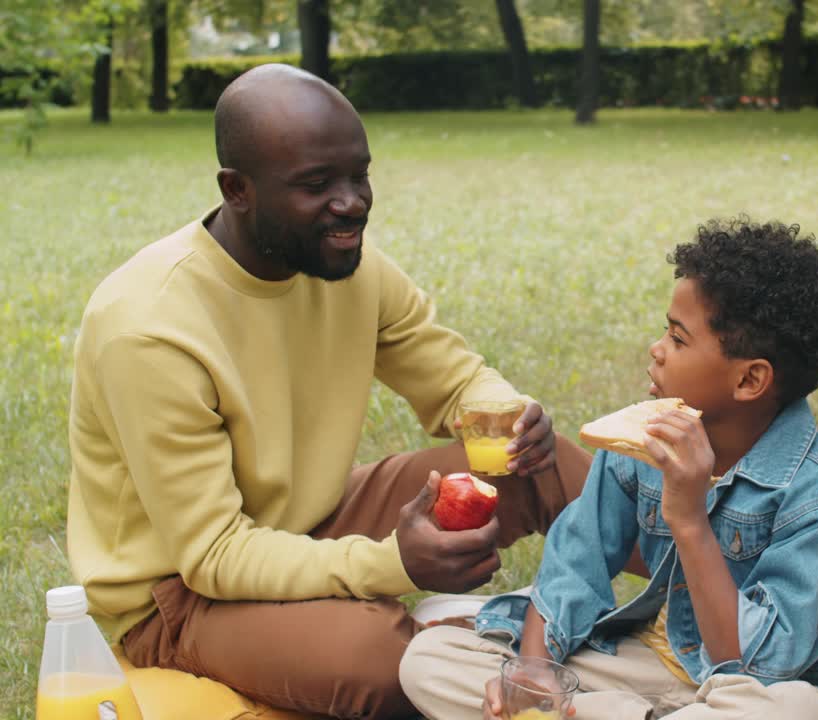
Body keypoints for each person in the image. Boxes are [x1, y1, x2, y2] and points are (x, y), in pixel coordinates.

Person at [65, 64, 594, 719]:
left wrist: (508, 415)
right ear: (238, 190)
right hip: (178, 598)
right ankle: (508, 669)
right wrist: (391, 565)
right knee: (382, 662)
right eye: (317, 184)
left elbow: (457, 381)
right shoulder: (148, 326)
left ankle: (729, 609)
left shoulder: (345, 262)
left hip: (311, 520)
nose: (352, 203)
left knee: (546, 467)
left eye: (359, 174)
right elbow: (215, 555)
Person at [400, 218, 818, 719]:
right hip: (638, 664)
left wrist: (689, 517)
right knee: (430, 660)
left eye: (678, 338)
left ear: (750, 379)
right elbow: (575, 562)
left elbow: (755, 665)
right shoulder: (638, 441)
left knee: (798, 711)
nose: (656, 348)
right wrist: (535, 674)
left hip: (746, 690)